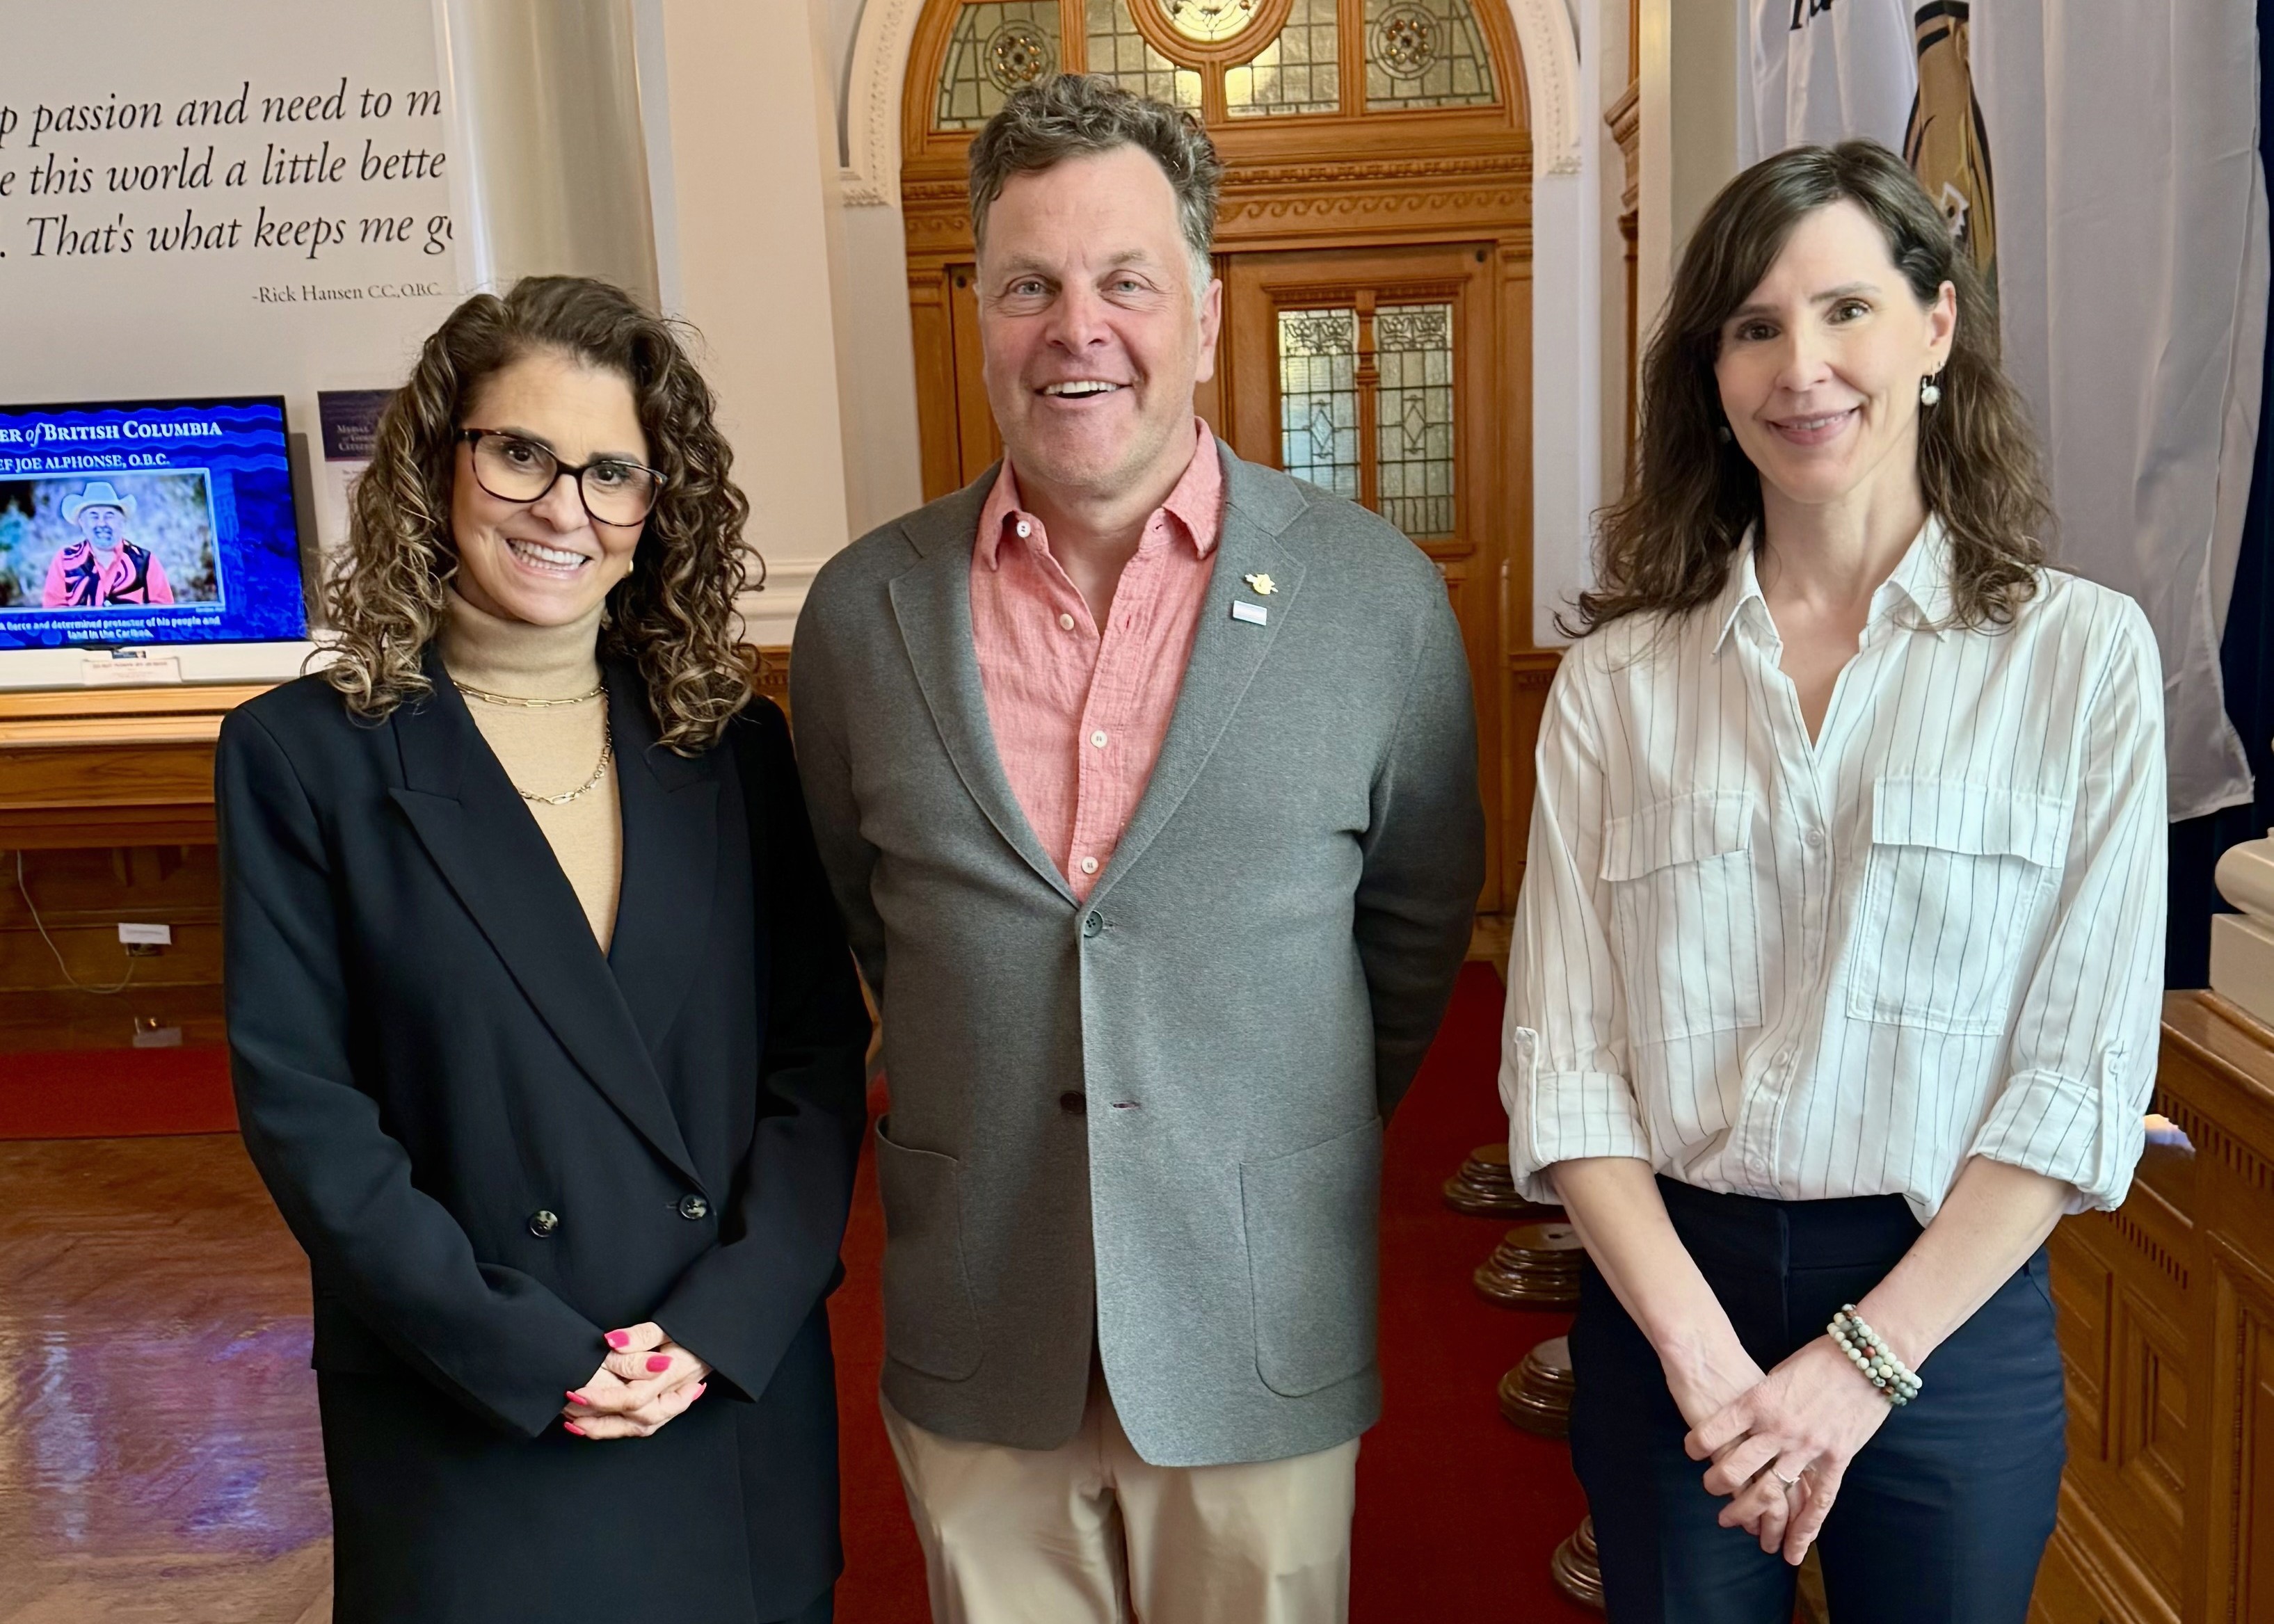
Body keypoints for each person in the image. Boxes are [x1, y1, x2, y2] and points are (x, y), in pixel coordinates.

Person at [794, 74, 1483, 1624]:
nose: (1075, 329)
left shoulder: (1374, 601)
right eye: (1027, 285)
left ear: (1206, 314)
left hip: (1256, 1313)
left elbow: (1412, 931)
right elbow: (862, 914)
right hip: (983, 1311)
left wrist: (1250, 1120)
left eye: (1124, 281)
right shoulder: (860, 614)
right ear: (980, 314)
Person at [1501, 140, 2166, 1623]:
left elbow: (2073, 1079)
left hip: (1947, 1311)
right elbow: (1562, 1068)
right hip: (1672, 1300)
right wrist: (1699, 1358)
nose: (1798, 366)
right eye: (1752, 326)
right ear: (1709, 374)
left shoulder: (2078, 661)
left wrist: (1859, 1366)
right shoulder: (1616, 683)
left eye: (1844, 310)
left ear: (1934, 327)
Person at [215, 275, 869, 1624]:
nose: (563, 508)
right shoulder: (301, 759)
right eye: (520, 453)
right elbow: (308, 1115)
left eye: (610, 472)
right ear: (437, 462)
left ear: (656, 507)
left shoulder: (736, 748)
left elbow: (814, 1067)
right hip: (471, 1413)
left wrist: (720, 1325)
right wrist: (530, 1351)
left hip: (719, 1402)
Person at [41, 481, 174, 606]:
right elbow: (53, 613)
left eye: (109, 515)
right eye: (94, 516)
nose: (102, 523)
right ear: (82, 522)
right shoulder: (64, 560)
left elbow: (165, 613)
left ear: (122, 521)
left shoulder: (146, 561)